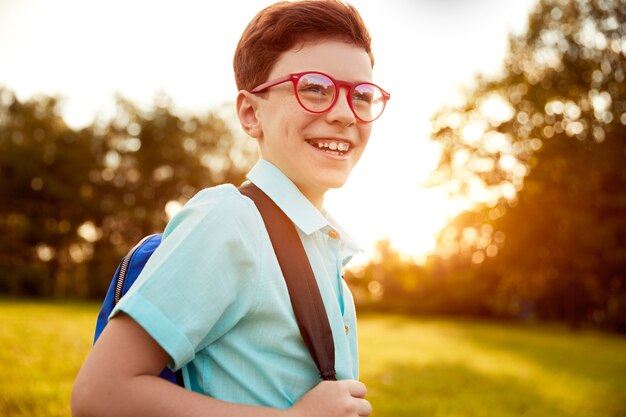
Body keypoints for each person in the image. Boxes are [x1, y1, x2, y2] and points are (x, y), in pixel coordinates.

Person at [71, 1, 390, 416]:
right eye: (314, 87)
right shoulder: (232, 222)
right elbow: (100, 394)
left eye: (362, 95)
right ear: (249, 112)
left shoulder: (327, 255)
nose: (346, 114)